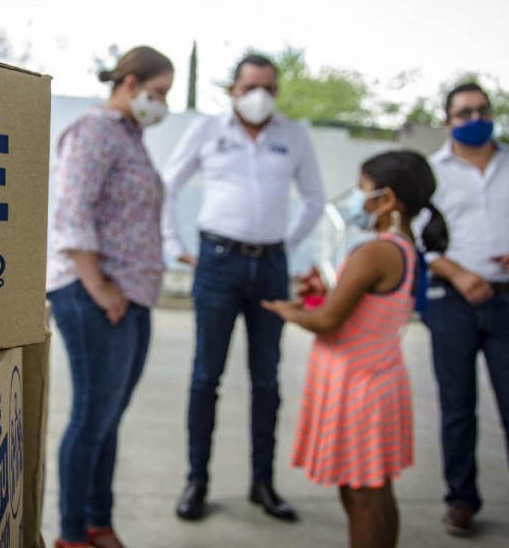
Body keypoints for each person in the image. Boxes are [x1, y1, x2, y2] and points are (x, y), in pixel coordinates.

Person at [162, 53, 325, 522]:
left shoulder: (292, 135)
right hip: (218, 263)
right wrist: (173, 243)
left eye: (269, 88)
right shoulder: (207, 131)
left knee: (267, 379)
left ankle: (262, 483)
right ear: (232, 88)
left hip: (271, 266)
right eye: (250, 86)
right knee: (205, 377)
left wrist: (284, 244)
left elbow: (314, 198)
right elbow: (168, 186)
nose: (260, 96)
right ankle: (197, 479)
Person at [263, 149, 449, 548]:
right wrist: (325, 295)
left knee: (362, 496)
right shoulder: (403, 248)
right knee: (376, 491)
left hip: (358, 388)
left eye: (362, 189)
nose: (354, 199)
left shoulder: (374, 251)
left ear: (388, 199)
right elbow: (362, 309)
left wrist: (288, 311)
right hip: (378, 379)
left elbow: (328, 321)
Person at [46, 46, 174, 548]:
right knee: (91, 418)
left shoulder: (132, 137)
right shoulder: (95, 130)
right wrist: (98, 286)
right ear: (130, 84)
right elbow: (73, 211)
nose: (161, 104)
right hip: (95, 292)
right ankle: (73, 534)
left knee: (107, 419)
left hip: (131, 293)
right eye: (158, 92)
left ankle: (99, 522)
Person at [423, 82, 509, 536]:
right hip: (452, 299)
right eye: (464, 113)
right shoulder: (432, 173)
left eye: (482, 110)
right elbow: (420, 238)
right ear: (447, 120)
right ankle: (461, 499)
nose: (475, 119)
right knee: (457, 406)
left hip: (506, 299)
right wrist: (459, 275)